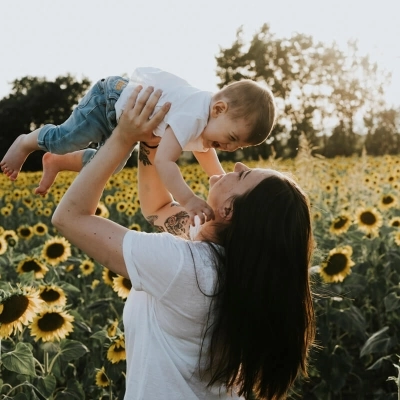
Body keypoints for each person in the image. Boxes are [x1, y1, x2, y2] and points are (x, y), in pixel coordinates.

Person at [52, 86, 315, 400]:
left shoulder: (184, 267)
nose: (238, 165)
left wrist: (123, 136)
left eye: (243, 178)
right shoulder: (234, 264)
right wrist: (154, 140)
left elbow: (69, 217)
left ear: (229, 210)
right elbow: (158, 209)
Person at [1, 67, 276, 225]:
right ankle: (25, 142)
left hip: (125, 120)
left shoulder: (207, 123)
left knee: (112, 164)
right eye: (232, 137)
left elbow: (207, 157)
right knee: (64, 140)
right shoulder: (193, 114)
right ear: (218, 108)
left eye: (238, 145)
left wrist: (221, 179)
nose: (230, 148)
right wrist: (190, 200)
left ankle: (57, 162)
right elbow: (164, 162)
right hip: (109, 100)